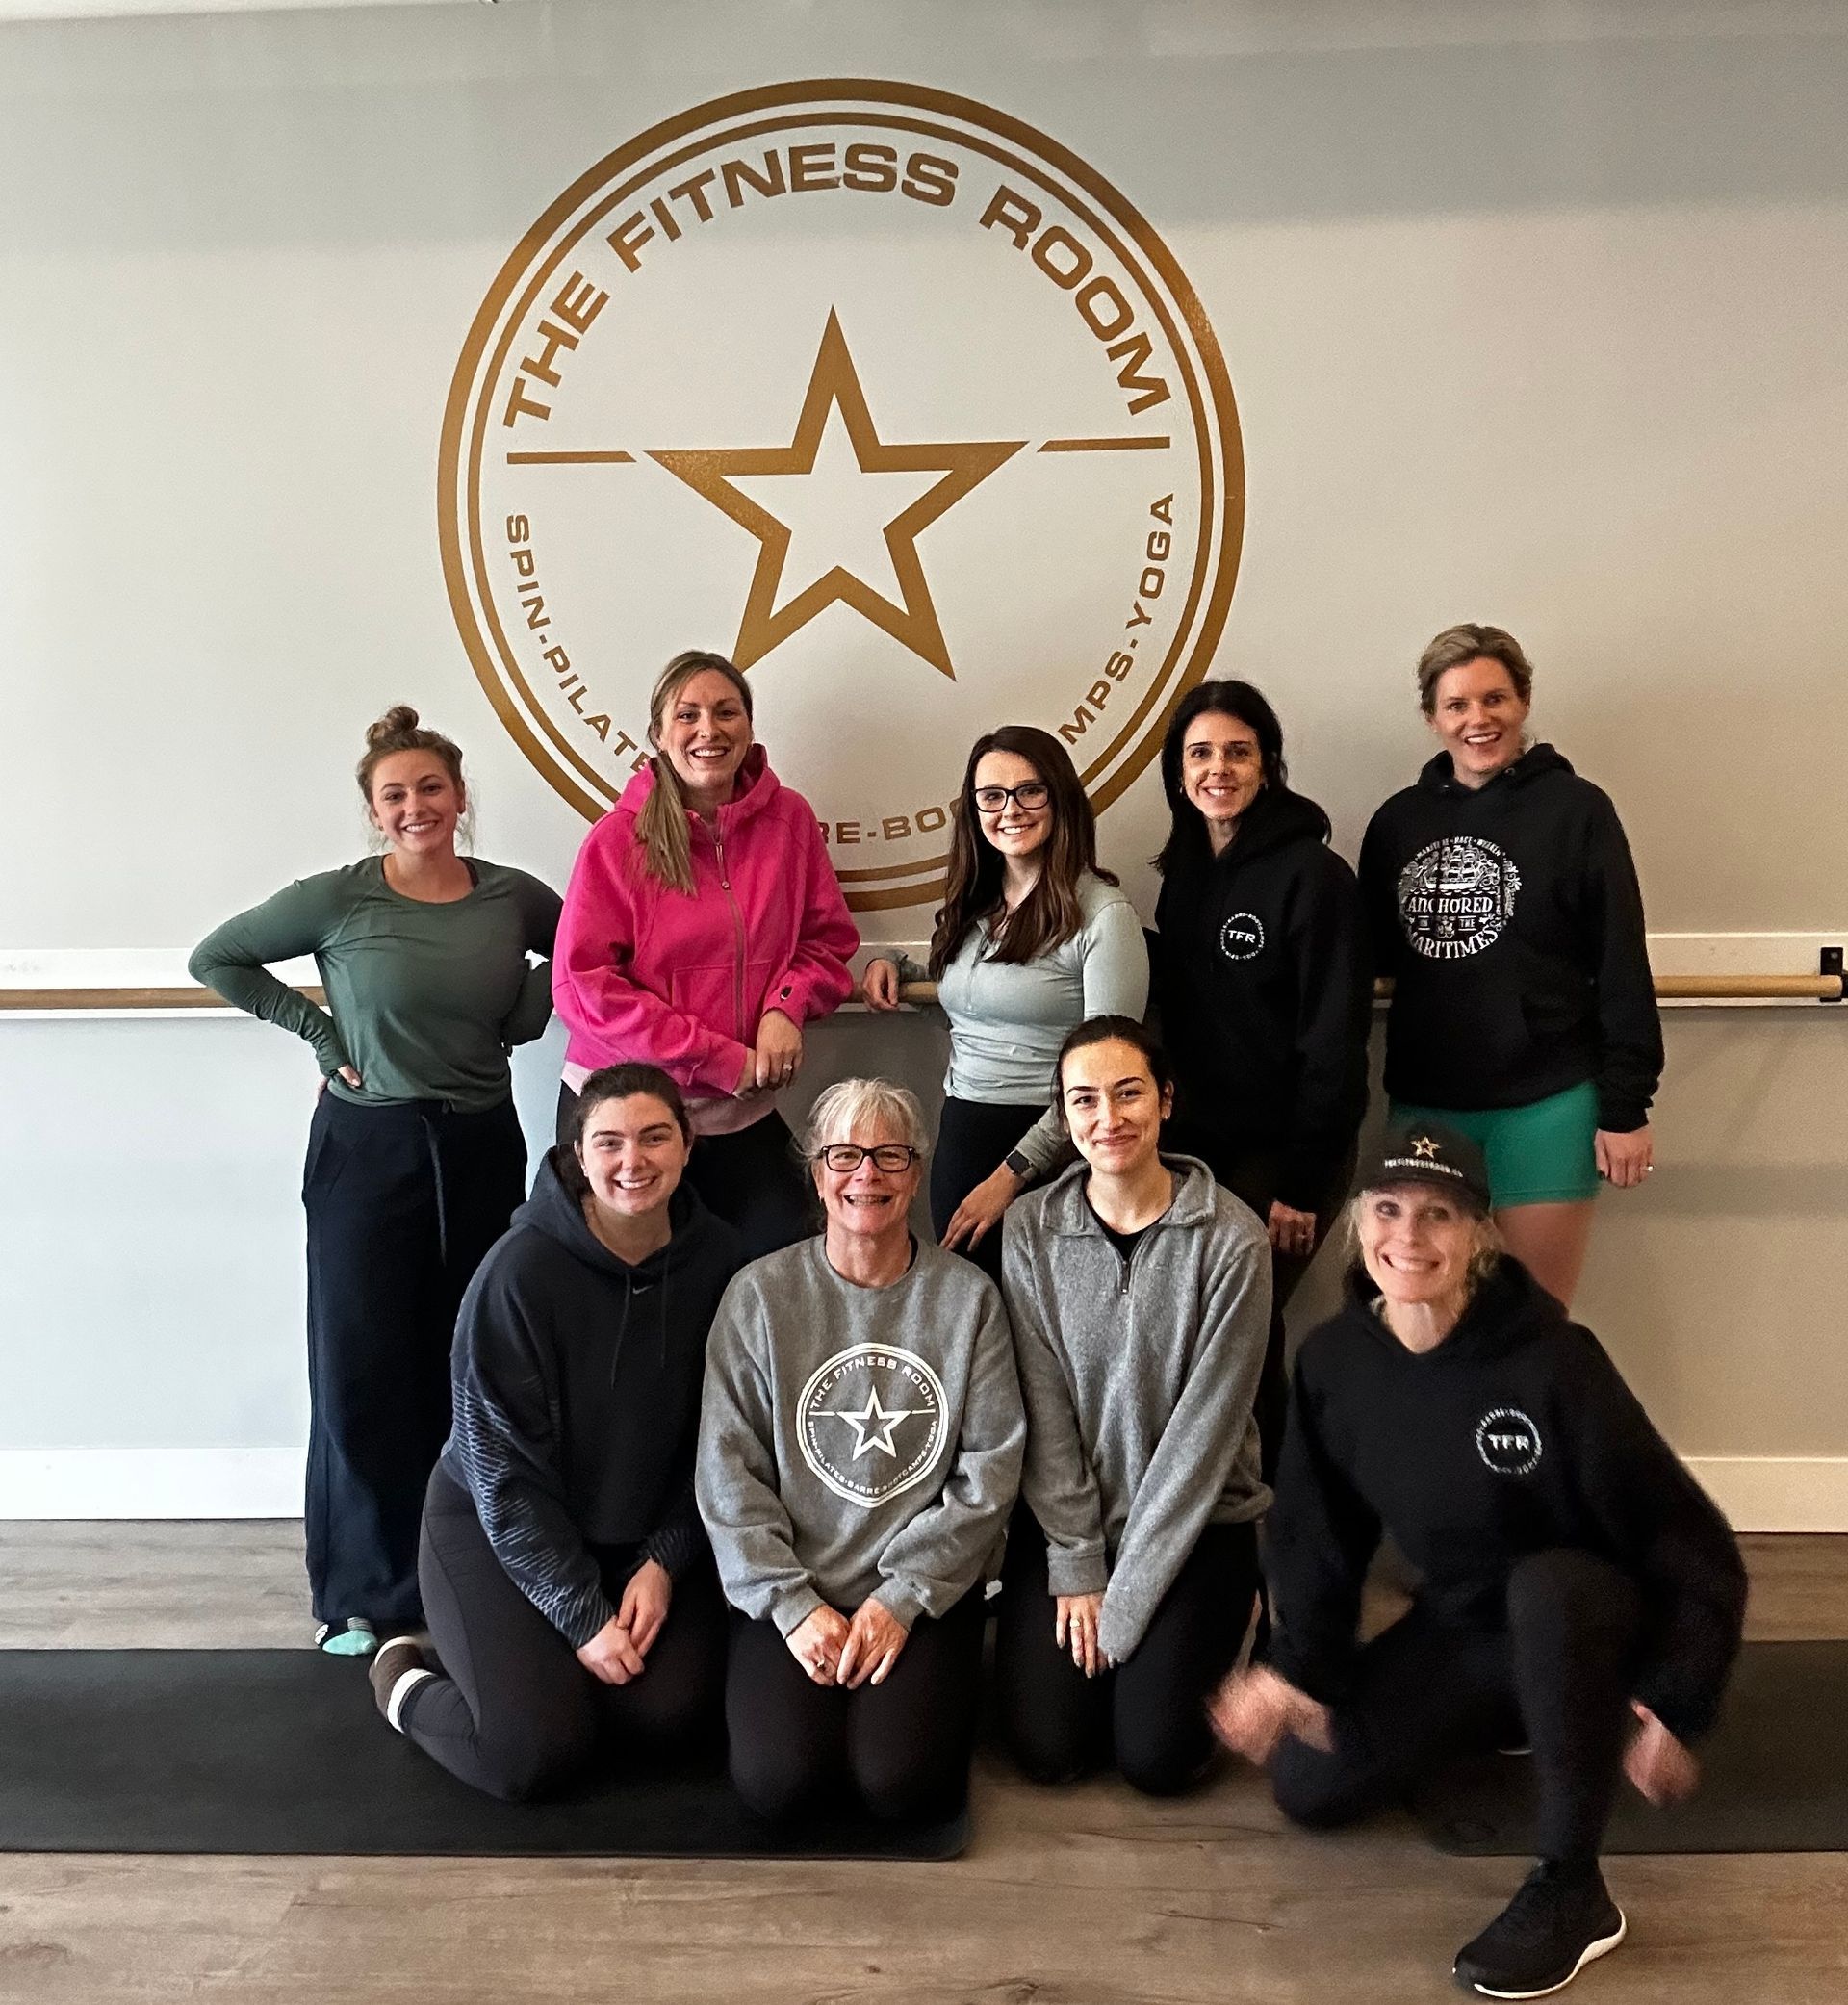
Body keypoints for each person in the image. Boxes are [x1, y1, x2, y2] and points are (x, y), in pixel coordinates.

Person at [1211, 1120, 1746, 1999]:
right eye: (1387, 1209)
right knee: (1308, 1784)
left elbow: (1688, 1537)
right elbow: (1316, 1537)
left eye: (1439, 1216)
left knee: (1548, 1587)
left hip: (1594, 1606)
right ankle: (1526, 1705)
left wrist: (1682, 1696)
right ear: (1357, 1221)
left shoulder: (1553, 1363)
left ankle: (1575, 1889)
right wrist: (1295, 1670)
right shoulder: (1337, 1364)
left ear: (1480, 1235)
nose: (1409, 1239)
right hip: (1471, 1623)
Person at [188, 706, 560, 1655]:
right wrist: (320, 1032)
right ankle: (360, 1595)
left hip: (480, 1145)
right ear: (373, 810)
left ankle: (466, 1573)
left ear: (461, 796)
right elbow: (217, 957)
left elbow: (585, 951)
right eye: (395, 793)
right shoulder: (340, 898)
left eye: (431, 787)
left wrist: (523, 1008)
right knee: (362, 1369)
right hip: (369, 1153)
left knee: (469, 1362)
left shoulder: (513, 897)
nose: (415, 806)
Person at [368, 1065, 744, 1800]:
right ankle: (404, 1679)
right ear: (577, 1152)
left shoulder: (726, 1265)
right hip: (494, 1526)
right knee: (531, 1752)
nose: (631, 1161)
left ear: (689, 1142)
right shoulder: (518, 1273)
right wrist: (579, 1613)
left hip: (638, 1539)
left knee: (673, 1718)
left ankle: (533, 1673)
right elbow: (500, 1477)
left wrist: (666, 1559)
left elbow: (725, 1441)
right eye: (608, 1142)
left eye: (653, 1137)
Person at [697, 1078, 1026, 1822]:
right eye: (844, 1155)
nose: (865, 1175)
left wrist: (904, 1597)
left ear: (915, 1172)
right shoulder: (757, 1296)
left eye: (888, 1156)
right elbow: (727, 1468)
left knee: (901, 1784)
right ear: (816, 1173)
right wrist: (789, 1602)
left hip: (919, 1587)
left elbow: (991, 1467)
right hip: (789, 1585)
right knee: (780, 1784)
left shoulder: (969, 1300)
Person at [997, 1016, 1271, 1795]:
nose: (1108, 1119)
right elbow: (1042, 1408)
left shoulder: (1232, 1239)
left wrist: (1124, 1608)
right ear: (1064, 1115)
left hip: (1197, 1524)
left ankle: (1242, 1614)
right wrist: (1078, 1560)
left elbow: (1202, 1440)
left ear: (1166, 1102)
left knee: (1156, 1760)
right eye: (1084, 1101)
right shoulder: (1030, 1229)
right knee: (1051, 1749)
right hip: (1071, 1521)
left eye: (1128, 1094)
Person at [1359, 624, 1664, 1307]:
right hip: (1427, 1104)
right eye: (1458, 704)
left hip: (1547, 1103)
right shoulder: (1396, 825)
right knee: (1424, 1311)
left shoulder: (1579, 810)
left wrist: (1626, 1105)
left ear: (1523, 702)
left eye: (1494, 699)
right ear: (1432, 717)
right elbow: (1364, 956)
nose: (1478, 720)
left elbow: (1620, 959)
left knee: (1534, 1316)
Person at [552, 651, 859, 1261]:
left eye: (726, 712)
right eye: (687, 715)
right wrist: (718, 1058)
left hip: (738, 1116)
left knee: (785, 1269)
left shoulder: (790, 821)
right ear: (659, 735)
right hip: (630, 1122)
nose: (708, 730)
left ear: (749, 726)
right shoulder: (618, 839)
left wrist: (784, 1009)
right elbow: (582, 986)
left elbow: (827, 944)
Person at [1151, 680, 1372, 1475]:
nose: (1219, 769)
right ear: (1178, 773)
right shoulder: (1182, 878)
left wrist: (1304, 1184)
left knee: (1237, 1326)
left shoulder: (1316, 877)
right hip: (1199, 1149)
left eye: (1238, 752)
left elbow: (1334, 1040)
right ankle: (1221, 1506)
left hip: (1288, 1154)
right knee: (1209, 1330)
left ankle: (1272, 1515)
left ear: (1269, 765)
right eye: (1201, 753)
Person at [861, 726, 1147, 1284]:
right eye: (992, 796)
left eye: (1028, 791)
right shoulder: (977, 905)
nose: (1009, 810)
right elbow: (971, 1007)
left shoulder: (1104, 916)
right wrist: (895, 966)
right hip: (962, 1137)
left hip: (1051, 1154)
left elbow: (1107, 1077)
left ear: (1059, 798)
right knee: (979, 1332)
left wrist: (1011, 1174)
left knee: (1044, 1344)